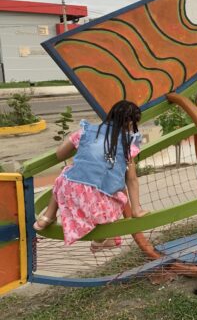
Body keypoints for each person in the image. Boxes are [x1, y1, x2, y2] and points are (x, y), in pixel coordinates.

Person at [33, 100, 148, 251]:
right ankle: (99, 240)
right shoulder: (128, 143)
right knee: (118, 198)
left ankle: (46, 217)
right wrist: (136, 209)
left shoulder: (86, 131)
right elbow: (131, 180)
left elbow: (60, 154)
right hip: (96, 201)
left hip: (71, 192)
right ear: (130, 122)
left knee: (66, 174)